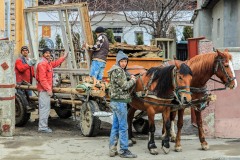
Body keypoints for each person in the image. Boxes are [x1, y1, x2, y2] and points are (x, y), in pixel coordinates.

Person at [107, 50, 137, 158]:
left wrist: (130, 76)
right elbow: (124, 86)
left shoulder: (116, 70)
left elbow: (124, 78)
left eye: (125, 61)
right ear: (118, 61)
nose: (124, 63)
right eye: (122, 61)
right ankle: (124, 150)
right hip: (120, 102)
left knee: (115, 126)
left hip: (115, 101)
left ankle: (112, 149)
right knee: (124, 127)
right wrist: (133, 80)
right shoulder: (118, 71)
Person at [36, 47, 68, 133]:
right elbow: (42, 79)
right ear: (43, 54)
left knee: (46, 108)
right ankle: (42, 127)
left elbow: (56, 63)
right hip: (44, 90)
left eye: (49, 53)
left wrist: (63, 57)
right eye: (46, 53)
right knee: (44, 108)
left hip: (45, 90)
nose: (48, 54)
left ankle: (43, 126)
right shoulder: (42, 64)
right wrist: (48, 89)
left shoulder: (48, 63)